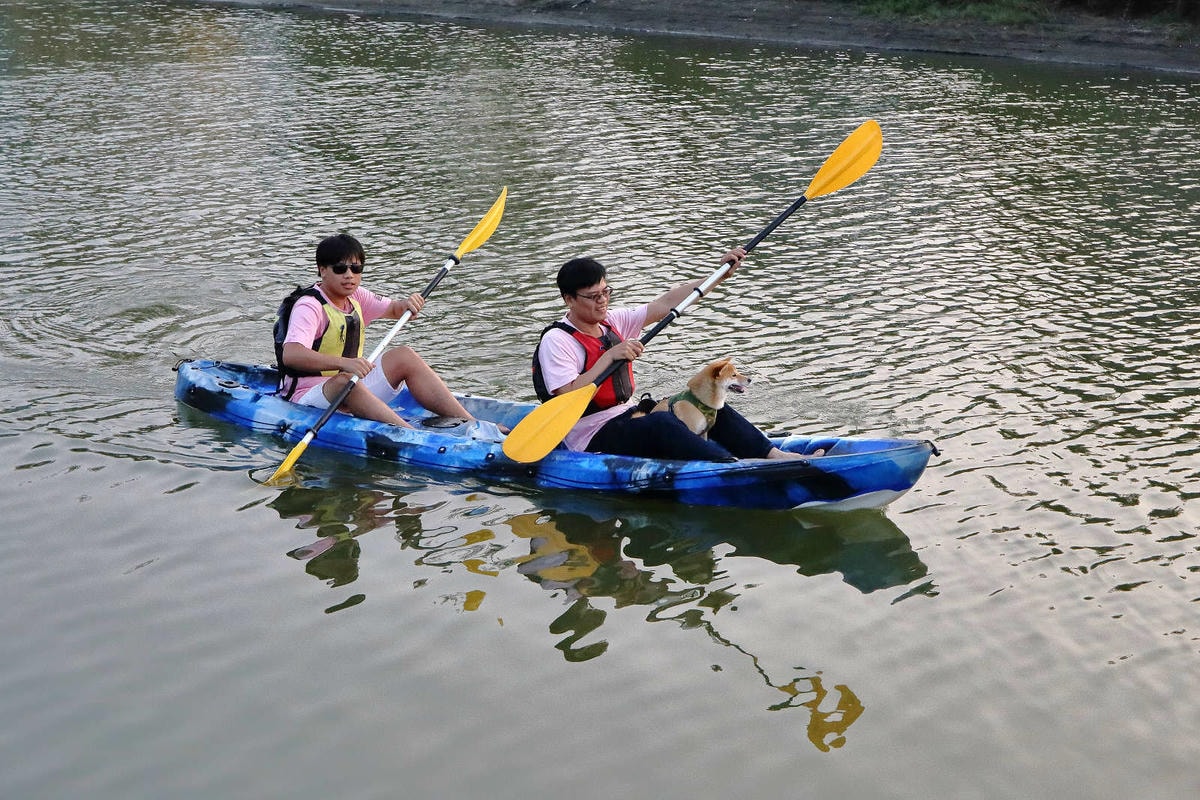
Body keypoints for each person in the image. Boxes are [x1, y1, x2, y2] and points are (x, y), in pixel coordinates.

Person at [531, 248, 802, 461]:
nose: (602, 301)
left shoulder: (612, 321)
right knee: (661, 423)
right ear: (569, 299)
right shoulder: (557, 340)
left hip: (629, 415)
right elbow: (565, 395)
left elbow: (667, 302)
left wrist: (718, 275)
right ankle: (727, 464)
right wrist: (609, 357)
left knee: (705, 402)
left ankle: (772, 455)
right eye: (593, 296)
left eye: (605, 292)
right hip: (590, 434)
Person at [275, 233, 497, 434]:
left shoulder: (357, 296)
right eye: (340, 269)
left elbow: (395, 309)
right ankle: (413, 435)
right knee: (345, 381)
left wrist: (409, 304)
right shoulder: (309, 306)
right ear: (323, 270)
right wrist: (345, 363)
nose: (349, 275)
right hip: (307, 396)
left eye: (356, 268)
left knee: (404, 355)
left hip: (349, 385)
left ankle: (473, 425)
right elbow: (292, 355)